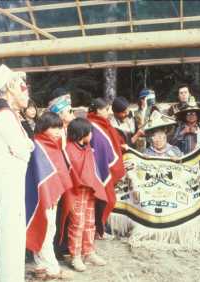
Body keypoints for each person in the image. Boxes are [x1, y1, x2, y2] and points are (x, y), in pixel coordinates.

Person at [0, 64, 34, 282]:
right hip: (7, 175)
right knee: (11, 230)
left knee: (12, 229)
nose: (27, 93)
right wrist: (27, 146)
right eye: (23, 88)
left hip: (9, 175)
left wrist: (27, 145)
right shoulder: (4, 114)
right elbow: (24, 150)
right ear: (11, 87)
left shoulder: (7, 113)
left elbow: (24, 146)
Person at [25, 112, 73, 280]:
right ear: (43, 127)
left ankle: (41, 266)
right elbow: (40, 176)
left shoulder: (53, 144)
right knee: (45, 229)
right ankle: (52, 269)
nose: (58, 131)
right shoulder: (37, 145)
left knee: (48, 229)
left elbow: (59, 171)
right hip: (43, 197)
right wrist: (47, 195)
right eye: (54, 128)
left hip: (53, 195)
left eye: (60, 128)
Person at [60, 118, 108, 272]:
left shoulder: (87, 148)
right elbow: (68, 173)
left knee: (89, 222)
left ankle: (88, 252)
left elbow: (92, 170)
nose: (92, 134)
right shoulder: (68, 149)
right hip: (75, 191)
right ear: (82, 133)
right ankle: (75, 256)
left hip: (89, 191)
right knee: (77, 224)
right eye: (90, 132)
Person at [87, 98, 126, 235]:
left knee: (108, 200)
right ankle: (96, 230)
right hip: (99, 167)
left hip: (104, 164)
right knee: (105, 199)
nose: (109, 113)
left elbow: (111, 140)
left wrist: (120, 146)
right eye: (106, 109)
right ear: (97, 110)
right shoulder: (91, 124)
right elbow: (99, 146)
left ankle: (99, 228)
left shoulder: (103, 122)